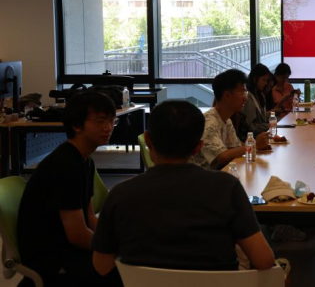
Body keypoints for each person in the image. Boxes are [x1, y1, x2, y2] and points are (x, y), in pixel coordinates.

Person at [92, 100, 276, 276]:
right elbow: (264, 260)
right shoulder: (227, 187)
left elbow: (101, 266)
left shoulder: (120, 194)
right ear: (198, 147)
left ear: (148, 140)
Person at [17, 91, 121, 286]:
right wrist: (114, 249)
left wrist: (117, 241)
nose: (108, 128)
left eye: (112, 121)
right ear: (76, 125)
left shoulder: (84, 161)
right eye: (99, 121)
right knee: (125, 272)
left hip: (66, 249)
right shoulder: (65, 165)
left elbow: (89, 218)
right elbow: (77, 235)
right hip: (51, 259)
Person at [191, 69, 270, 170]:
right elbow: (222, 157)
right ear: (227, 95)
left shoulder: (226, 120)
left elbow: (236, 147)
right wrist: (254, 144)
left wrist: (257, 145)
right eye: (242, 92)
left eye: (246, 93)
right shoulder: (209, 122)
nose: (246, 98)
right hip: (202, 176)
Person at [242, 63, 274, 135]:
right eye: (263, 80)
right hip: (254, 137)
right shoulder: (248, 97)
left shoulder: (260, 95)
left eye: (266, 81)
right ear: (255, 78)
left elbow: (262, 117)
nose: (265, 83)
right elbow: (249, 126)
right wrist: (268, 126)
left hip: (262, 133)